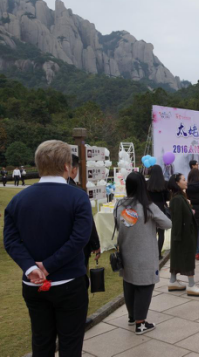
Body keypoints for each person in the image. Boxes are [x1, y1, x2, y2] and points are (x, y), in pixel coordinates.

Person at [4, 140, 93, 355]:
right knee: (70, 343)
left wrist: (30, 268)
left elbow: (11, 241)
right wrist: (48, 266)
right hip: (69, 283)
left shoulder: (18, 200)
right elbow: (80, 238)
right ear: (66, 166)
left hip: (33, 285)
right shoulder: (78, 197)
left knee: (41, 341)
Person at [115, 172, 172, 335]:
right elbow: (167, 223)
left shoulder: (120, 204)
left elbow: (119, 225)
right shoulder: (148, 206)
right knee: (145, 286)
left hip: (126, 252)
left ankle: (132, 317)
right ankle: (141, 323)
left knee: (129, 283)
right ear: (143, 186)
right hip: (145, 254)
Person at [167, 173, 199, 296]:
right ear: (177, 183)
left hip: (184, 233)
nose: (186, 182)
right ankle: (191, 285)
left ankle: (173, 281)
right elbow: (177, 220)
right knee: (188, 257)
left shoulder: (180, 197)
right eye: (183, 180)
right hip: (184, 234)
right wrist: (178, 237)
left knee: (178, 256)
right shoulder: (178, 199)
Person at [68, 155, 102, 269]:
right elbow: (88, 222)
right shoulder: (78, 193)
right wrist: (96, 244)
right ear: (74, 170)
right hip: (78, 249)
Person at [147, 165, 171, 259]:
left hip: (149, 208)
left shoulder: (146, 184)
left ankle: (151, 253)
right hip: (161, 208)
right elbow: (168, 197)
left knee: (151, 232)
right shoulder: (165, 184)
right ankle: (158, 254)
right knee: (161, 233)